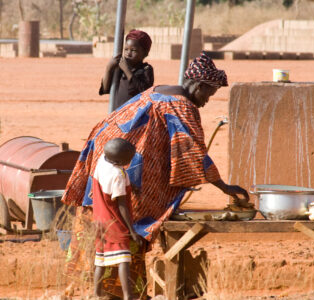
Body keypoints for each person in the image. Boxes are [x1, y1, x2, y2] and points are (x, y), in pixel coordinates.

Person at [62, 52, 249, 298]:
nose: (206, 101)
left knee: (101, 227)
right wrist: (225, 188)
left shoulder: (160, 90)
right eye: (209, 94)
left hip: (102, 157)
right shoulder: (183, 106)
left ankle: (104, 291)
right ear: (200, 86)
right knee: (129, 227)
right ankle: (126, 293)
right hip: (123, 166)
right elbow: (193, 152)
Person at [92, 138, 141, 299]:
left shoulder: (102, 161)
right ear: (121, 161)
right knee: (123, 259)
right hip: (114, 222)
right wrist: (132, 231)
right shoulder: (117, 175)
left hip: (99, 219)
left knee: (100, 259)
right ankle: (128, 296)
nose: (131, 160)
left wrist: (130, 185)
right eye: (130, 158)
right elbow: (122, 206)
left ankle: (96, 294)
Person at [100, 29, 154, 110]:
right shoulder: (119, 68)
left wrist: (127, 70)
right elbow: (105, 89)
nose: (128, 53)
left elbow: (144, 90)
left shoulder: (146, 70)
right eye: (126, 49)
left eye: (133, 50)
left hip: (134, 116)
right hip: (117, 115)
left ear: (145, 53)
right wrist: (109, 68)